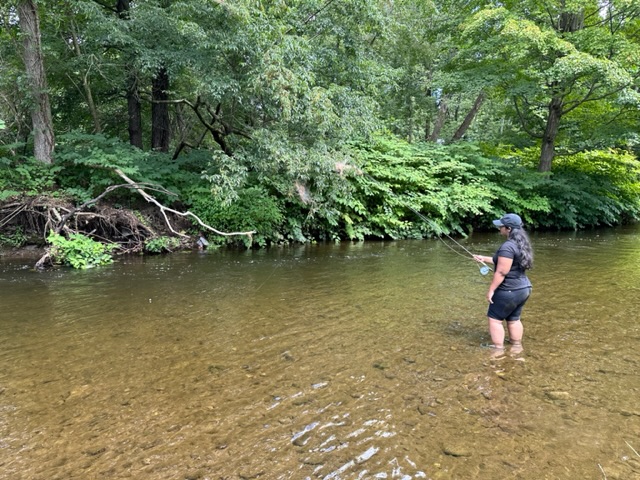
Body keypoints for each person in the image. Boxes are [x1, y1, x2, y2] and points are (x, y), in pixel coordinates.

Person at [473, 213, 533, 354]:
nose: (499, 228)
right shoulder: (521, 244)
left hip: (509, 290)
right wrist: (482, 258)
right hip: (524, 289)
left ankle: (498, 350)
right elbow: (502, 261)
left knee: (494, 319)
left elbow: (502, 272)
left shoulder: (508, 246)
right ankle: (516, 347)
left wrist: (491, 290)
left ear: (509, 228)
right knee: (513, 319)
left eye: (501, 226)